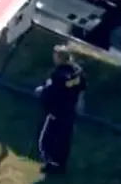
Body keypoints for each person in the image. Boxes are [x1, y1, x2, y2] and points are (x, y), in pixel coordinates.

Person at [35, 44, 86, 174]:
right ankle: (60, 165)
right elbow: (81, 86)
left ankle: (51, 163)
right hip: (69, 111)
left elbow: (53, 90)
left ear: (59, 58)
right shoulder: (77, 71)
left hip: (56, 112)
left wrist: (42, 91)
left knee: (45, 140)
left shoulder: (58, 75)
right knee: (64, 139)